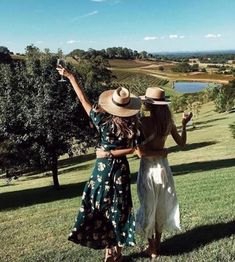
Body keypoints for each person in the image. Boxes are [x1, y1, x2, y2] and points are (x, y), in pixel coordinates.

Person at [57, 65, 142, 262]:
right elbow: (136, 150)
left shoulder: (101, 121)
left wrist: (71, 77)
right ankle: (115, 251)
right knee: (119, 209)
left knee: (100, 206)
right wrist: (120, 152)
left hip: (102, 171)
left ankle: (110, 251)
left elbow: (82, 99)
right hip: (120, 170)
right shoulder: (132, 124)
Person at [135, 87, 192, 259]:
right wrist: (184, 125)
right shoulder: (169, 123)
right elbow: (182, 143)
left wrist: (160, 152)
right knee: (161, 206)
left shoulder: (142, 123)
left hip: (148, 170)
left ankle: (152, 248)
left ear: (148, 104)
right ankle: (157, 245)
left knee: (148, 206)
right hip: (164, 169)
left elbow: (141, 153)